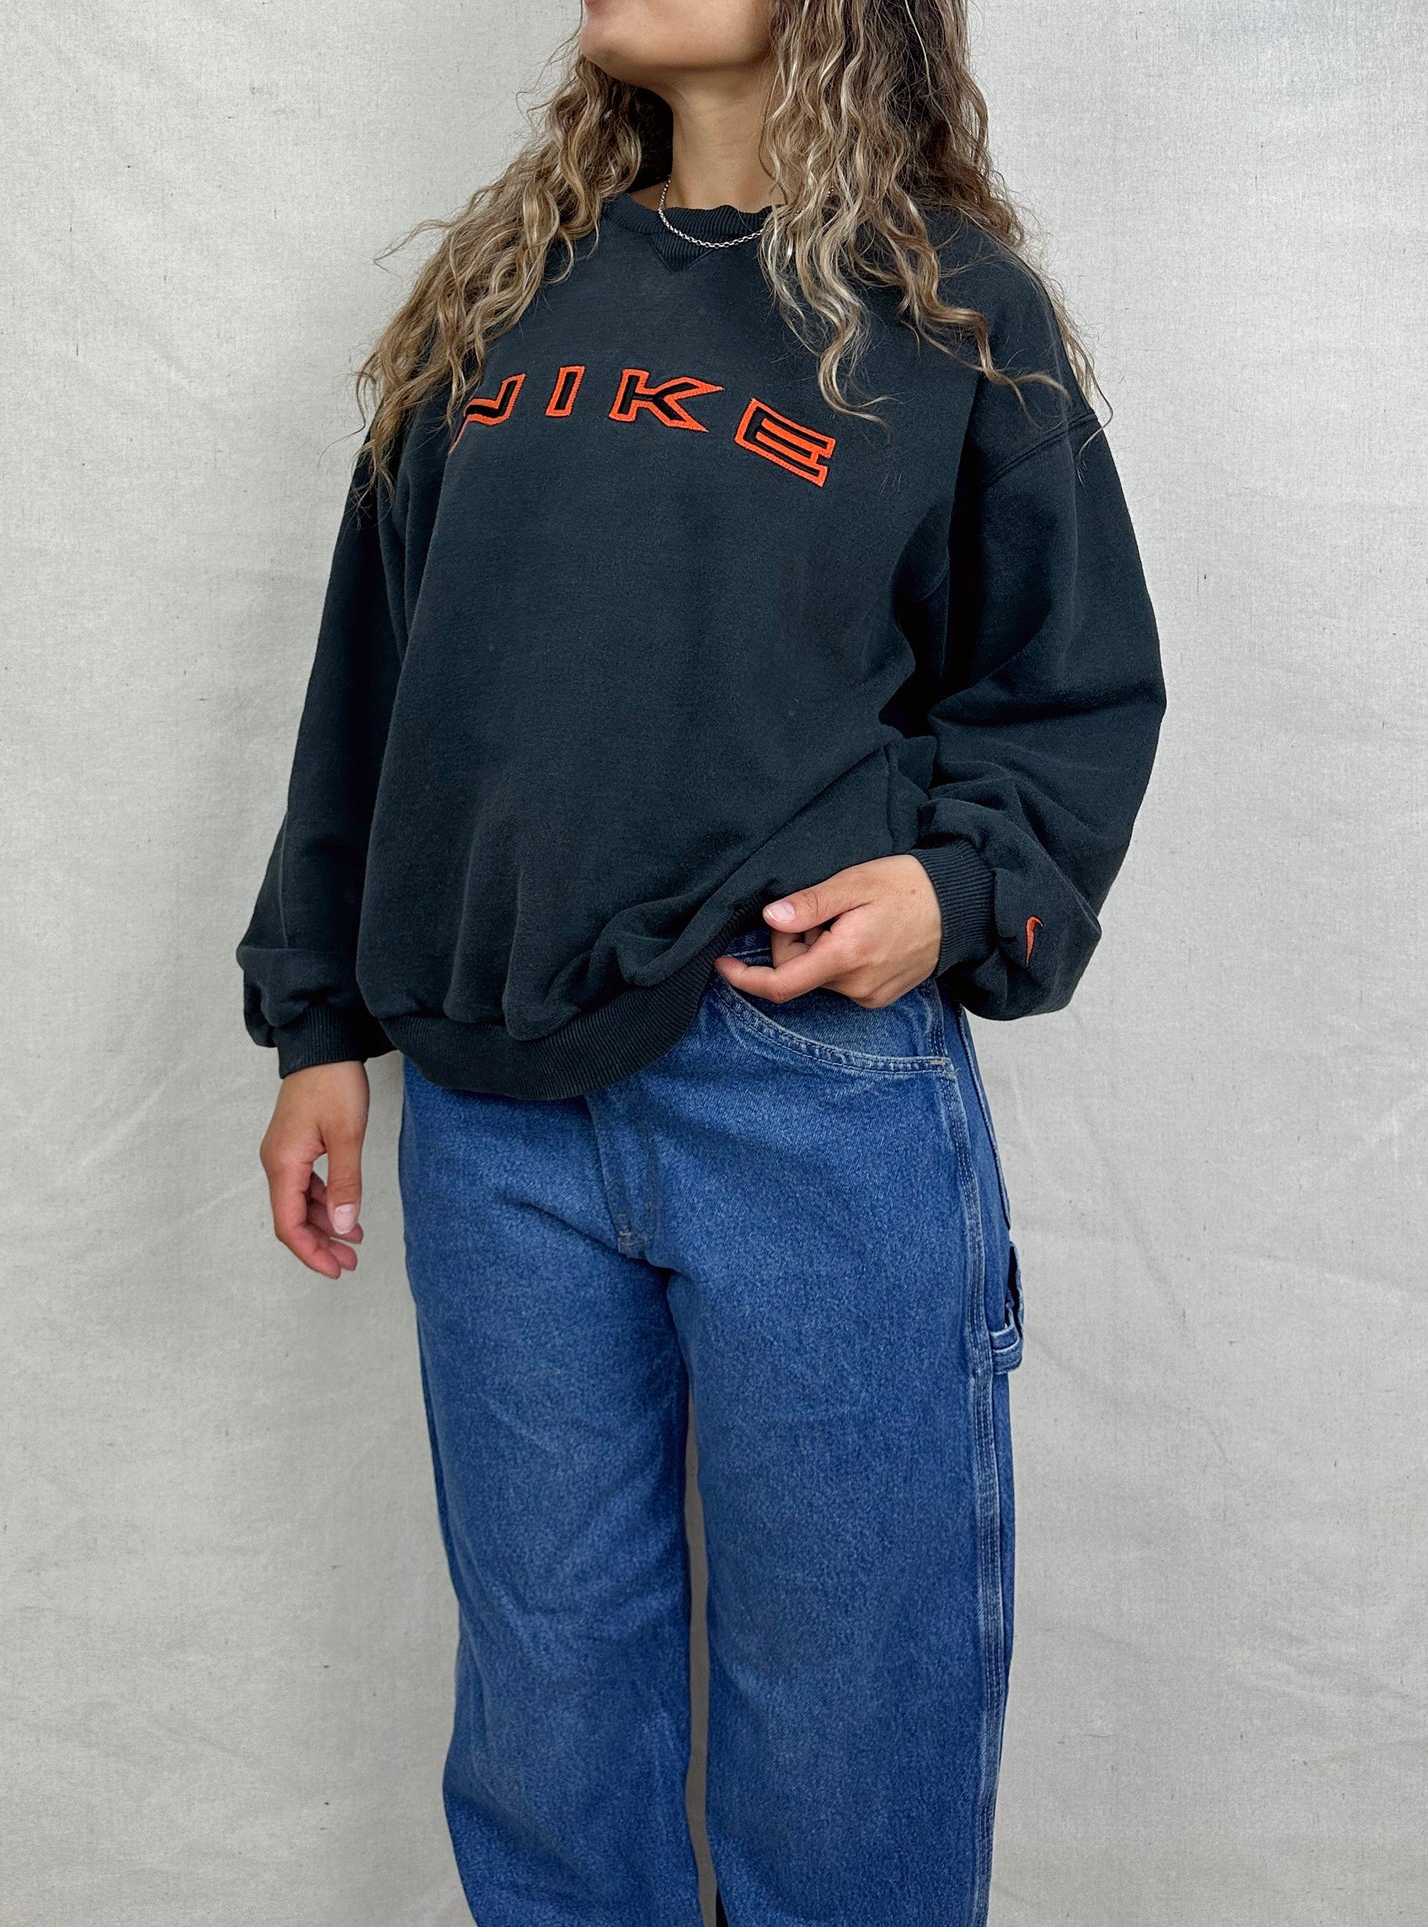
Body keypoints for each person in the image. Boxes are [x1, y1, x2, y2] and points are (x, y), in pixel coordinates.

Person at [237, 1, 1166, 1920]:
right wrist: (315, 1022)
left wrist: (955, 892)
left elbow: (1066, 685)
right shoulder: (503, 297)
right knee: (547, 1708)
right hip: (492, 1097)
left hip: (801, 1078)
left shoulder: (950, 314)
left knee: (851, 1705)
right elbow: (375, 678)